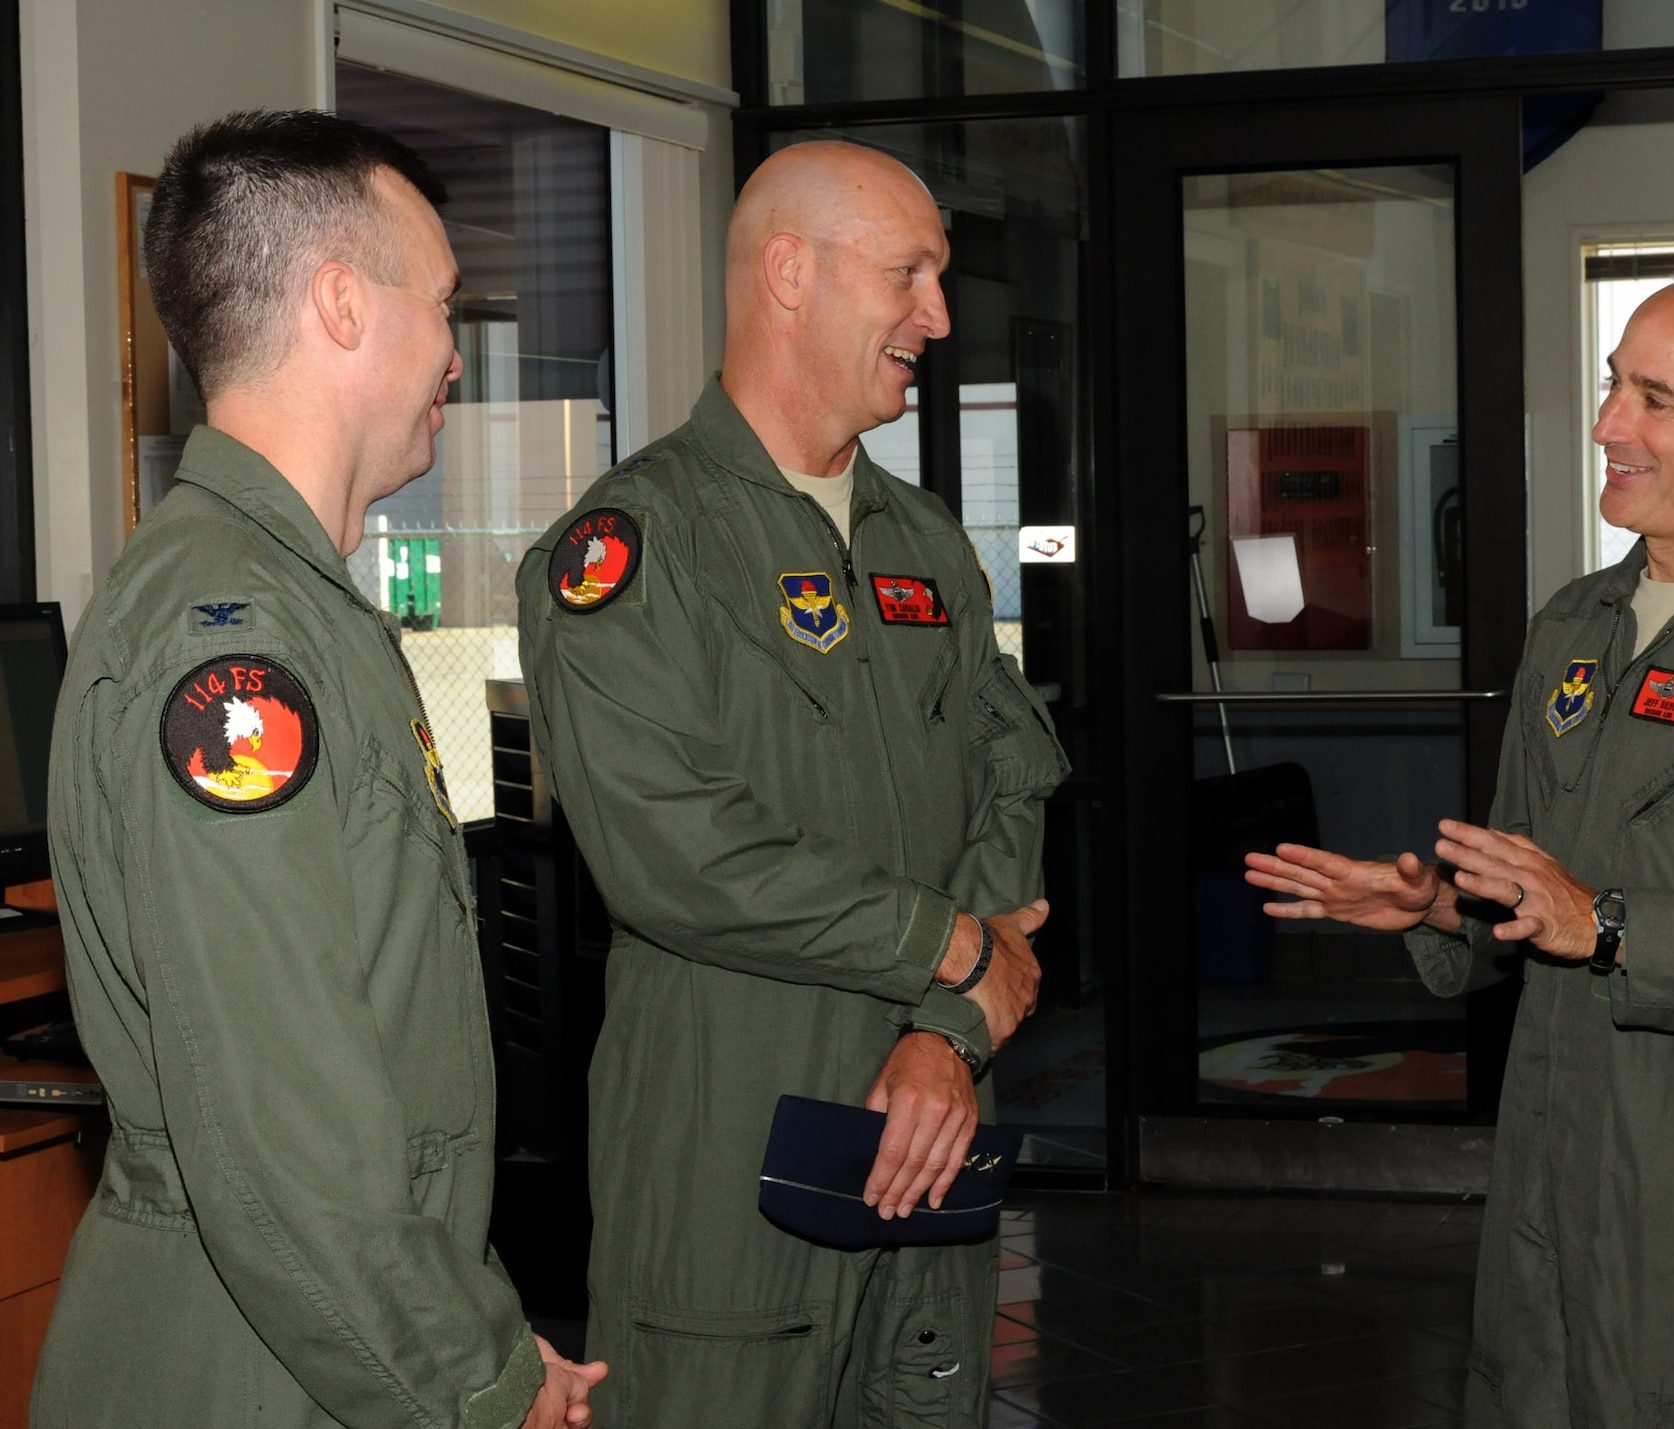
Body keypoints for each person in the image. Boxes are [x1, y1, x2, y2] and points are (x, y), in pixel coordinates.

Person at [1245, 265, 1674, 1426]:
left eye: (1654, 399)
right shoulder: (1576, 625)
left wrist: (1611, 926)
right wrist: (1439, 907)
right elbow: (1540, 889)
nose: (1604, 425)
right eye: (1611, 384)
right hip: (1547, 1140)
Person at [31, 111, 605, 1429]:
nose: (459, 353)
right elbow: (284, 1138)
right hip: (254, 1363)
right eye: (446, 302)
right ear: (343, 304)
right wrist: (479, 1380)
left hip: (325, 1336)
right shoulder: (228, 645)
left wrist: (488, 1336)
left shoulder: (285, 607)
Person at [514, 139, 1067, 1427]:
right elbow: (674, 854)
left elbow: (1011, 770)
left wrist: (948, 1027)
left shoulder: (924, 537)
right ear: (788, 273)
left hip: (933, 1119)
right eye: (908, 273)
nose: (935, 314)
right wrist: (946, 946)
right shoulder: (628, 548)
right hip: (729, 1129)